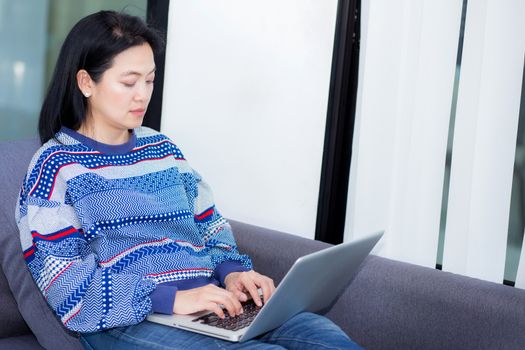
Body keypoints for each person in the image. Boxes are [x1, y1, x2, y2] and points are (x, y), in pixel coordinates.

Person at [16, 10, 362, 350]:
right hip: (128, 320)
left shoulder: (162, 149)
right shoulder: (55, 167)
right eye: (128, 81)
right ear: (86, 82)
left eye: (150, 80)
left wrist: (232, 272)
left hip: (210, 302)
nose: (142, 95)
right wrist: (171, 298)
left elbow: (209, 225)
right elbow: (66, 286)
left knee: (322, 334)